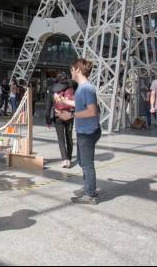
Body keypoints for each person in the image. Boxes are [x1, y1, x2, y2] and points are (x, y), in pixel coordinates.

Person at [58, 59, 101, 205]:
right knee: (83, 162)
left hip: (88, 132)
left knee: (87, 164)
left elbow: (92, 111)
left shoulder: (86, 88)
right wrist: (65, 101)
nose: (71, 72)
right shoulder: (82, 88)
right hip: (85, 130)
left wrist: (71, 115)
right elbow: (80, 104)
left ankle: (90, 195)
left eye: (71, 70)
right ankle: (89, 187)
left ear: (77, 70)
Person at [45, 73, 75, 168]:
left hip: (58, 116)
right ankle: (69, 158)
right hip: (69, 115)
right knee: (69, 137)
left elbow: (48, 107)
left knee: (61, 139)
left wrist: (48, 121)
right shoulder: (71, 88)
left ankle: (65, 159)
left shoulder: (52, 90)